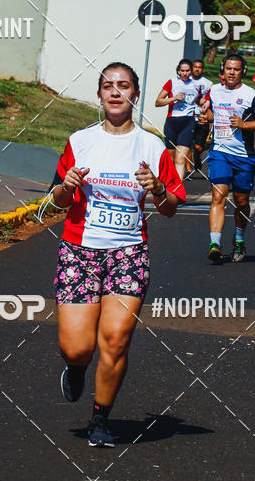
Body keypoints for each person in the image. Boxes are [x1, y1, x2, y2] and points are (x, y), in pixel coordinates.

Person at [52, 62, 185, 447]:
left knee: (115, 338)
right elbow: (59, 201)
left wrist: (158, 188)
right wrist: (67, 185)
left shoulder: (153, 146)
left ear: (135, 95)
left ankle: (100, 418)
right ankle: (76, 369)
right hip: (80, 250)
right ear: (99, 95)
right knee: (77, 348)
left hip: (128, 252)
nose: (115, 92)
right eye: (108, 86)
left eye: (123, 86)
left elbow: (172, 206)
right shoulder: (80, 141)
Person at [198, 52, 255, 264]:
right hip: (219, 152)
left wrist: (244, 125)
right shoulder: (214, 90)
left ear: (243, 72)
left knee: (241, 201)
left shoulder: (252, 95)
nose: (232, 72)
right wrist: (207, 117)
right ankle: (215, 243)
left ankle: (239, 239)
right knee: (218, 196)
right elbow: (212, 113)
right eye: (229, 68)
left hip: (244, 156)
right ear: (223, 70)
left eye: (236, 69)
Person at [155, 59, 197, 179]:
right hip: (172, 123)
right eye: (182, 71)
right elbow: (157, 102)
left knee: (180, 159)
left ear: (191, 71)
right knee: (171, 160)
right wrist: (173, 99)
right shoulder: (172, 82)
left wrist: (204, 104)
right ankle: (168, 185)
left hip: (188, 122)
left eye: (187, 70)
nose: (184, 73)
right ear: (178, 71)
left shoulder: (196, 85)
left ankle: (177, 189)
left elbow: (200, 100)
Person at [189, 59, 213, 173]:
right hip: (188, 117)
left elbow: (210, 100)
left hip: (202, 118)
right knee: (187, 145)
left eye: (199, 67)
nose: (197, 69)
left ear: (202, 69)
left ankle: (197, 157)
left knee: (199, 147)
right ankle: (188, 169)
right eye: (195, 67)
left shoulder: (208, 83)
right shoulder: (186, 81)